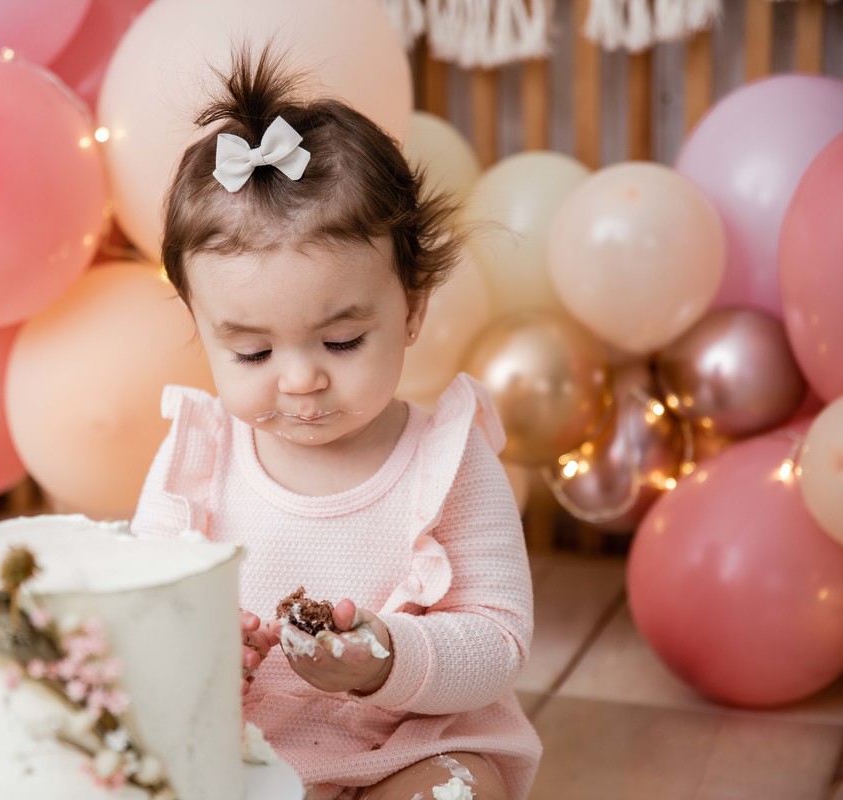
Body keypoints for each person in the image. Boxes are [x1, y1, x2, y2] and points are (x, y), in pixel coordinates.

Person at [131, 45, 541, 800]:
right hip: (239, 761)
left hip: (409, 753)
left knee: (458, 791)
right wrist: (201, 653)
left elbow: (499, 638)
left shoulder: (447, 458)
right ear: (203, 330)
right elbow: (139, 611)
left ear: (411, 308)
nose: (301, 380)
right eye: (252, 353)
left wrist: (388, 657)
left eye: (343, 341)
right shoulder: (198, 457)